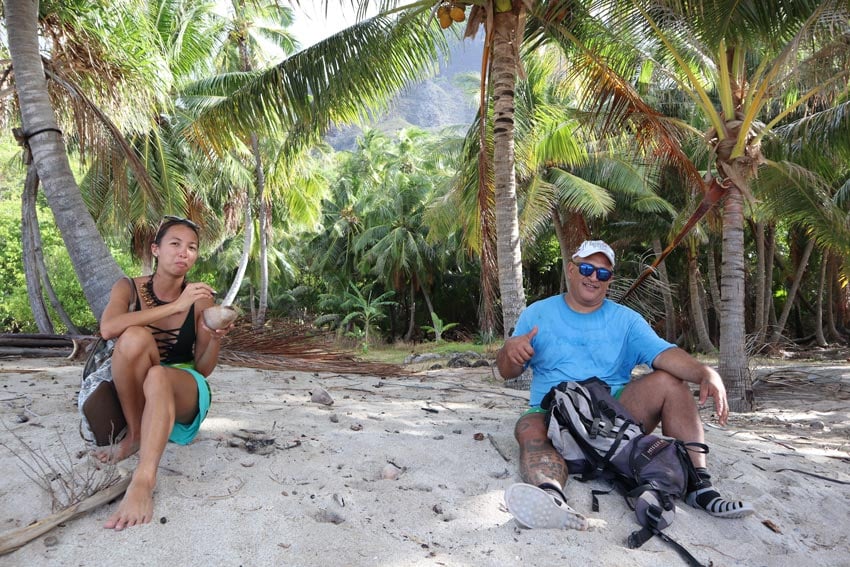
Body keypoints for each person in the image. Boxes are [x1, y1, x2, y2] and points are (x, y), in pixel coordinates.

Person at [497, 239, 754, 528]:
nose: (593, 277)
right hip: (554, 413)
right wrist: (510, 351)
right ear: (571, 269)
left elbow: (665, 354)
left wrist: (706, 373)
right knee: (528, 427)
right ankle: (551, 497)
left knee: (671, 382)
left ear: (609, 280)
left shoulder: (626, 320)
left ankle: (700, 486)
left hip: (612, 417)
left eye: (602, 273)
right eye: (586, 268)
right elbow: (507, 371)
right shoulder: (537, 313)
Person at [95, 216, 232, 531]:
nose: (184, 252)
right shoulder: (127, 286)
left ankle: (143, 481)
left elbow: (203, 368)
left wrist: (213, 338)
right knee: (133, 337)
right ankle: (136, 434)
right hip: (140, 388)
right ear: (155, 249)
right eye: (175, 244)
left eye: (192, 247)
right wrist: (174, 306)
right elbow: (108, 328)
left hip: (183, 386)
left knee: (158, 376)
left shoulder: (200, 300)